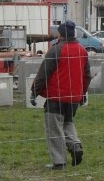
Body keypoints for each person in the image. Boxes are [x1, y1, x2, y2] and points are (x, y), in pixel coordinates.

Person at [31, 21, 92, 171]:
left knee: (54, 129)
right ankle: (75, 145)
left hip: (56, 97)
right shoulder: (82, 50)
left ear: (61, 34)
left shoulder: (56, 49)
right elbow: (87, 76)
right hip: (73, 98)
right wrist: (82, 94)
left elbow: (43, 73)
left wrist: (35, 91)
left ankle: (59, 163)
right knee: (67, 123)